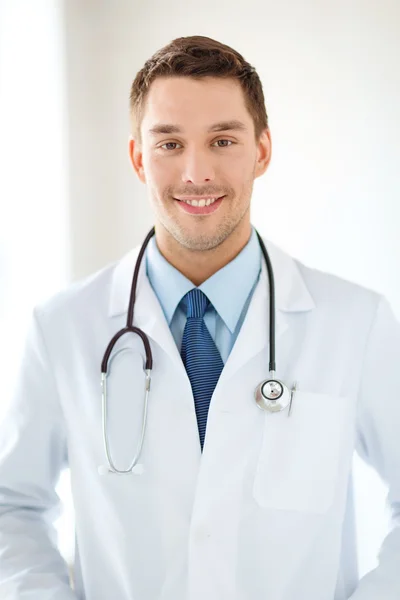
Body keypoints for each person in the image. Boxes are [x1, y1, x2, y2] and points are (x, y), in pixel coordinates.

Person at [0, 34, 399, 600]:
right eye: (169, 144)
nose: (195, 172)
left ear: (261, 150)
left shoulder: (355, 323)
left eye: (222, 140)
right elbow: (11, 506)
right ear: (139, 158)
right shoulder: (62, 328)